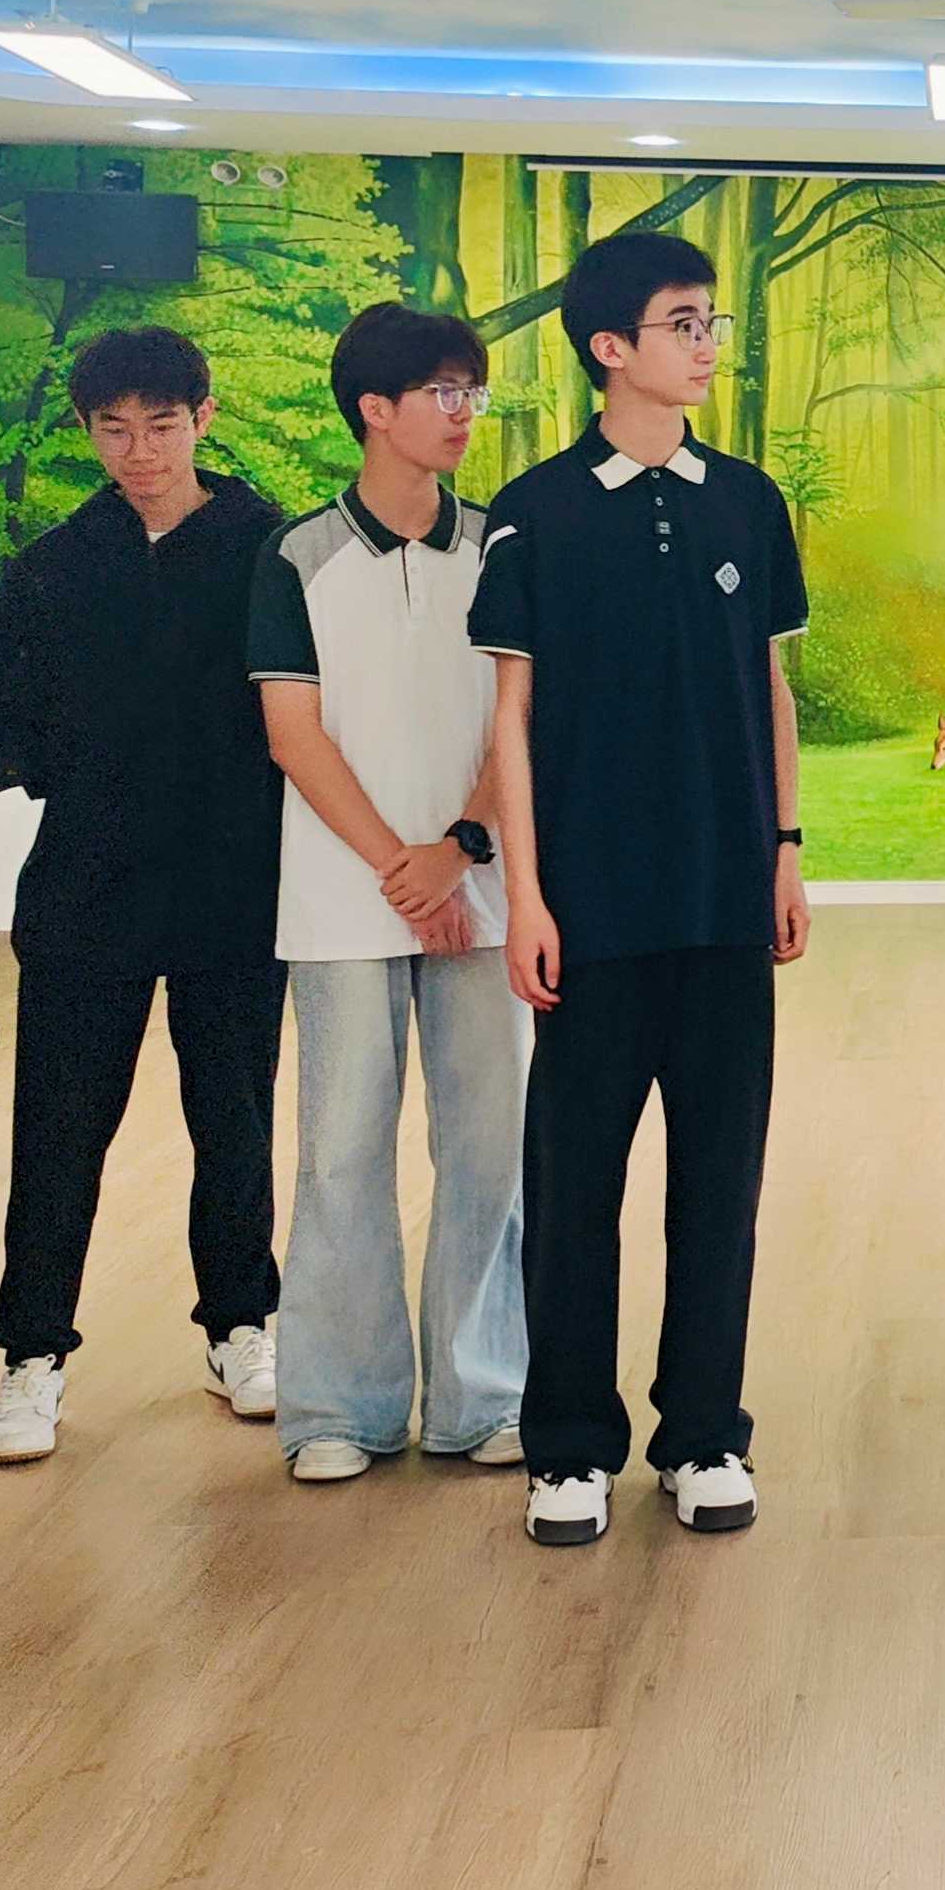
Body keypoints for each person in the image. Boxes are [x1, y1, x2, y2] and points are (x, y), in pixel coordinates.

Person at [470, 228, 809, 1549]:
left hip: (726, 901)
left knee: (720, 1181)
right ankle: (568, 1446)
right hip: (591, 910)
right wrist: (528, 894)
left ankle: (704, 1433)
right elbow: (511, 718)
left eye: (711, 320)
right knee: (575, 1189)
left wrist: (786, 847)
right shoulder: (536, 511)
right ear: (610, 347)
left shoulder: (748, 503)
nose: (708, 343)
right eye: (684, 322)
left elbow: (769, 684)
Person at [0, 325, 289, 1468]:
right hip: (86, 885)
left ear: (204, 418)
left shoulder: (273, 552)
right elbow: (11, 736)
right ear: (88, 433)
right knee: (58, 1128)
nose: (139, 451)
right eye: (114, 429)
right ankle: (32, 1355)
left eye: (161, 425)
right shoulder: (50, 567)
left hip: (235, 884)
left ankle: (242, 1327)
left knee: (234, 1118)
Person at [249, 305, 529, 1486]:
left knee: (492, 1149)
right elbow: (292, 733)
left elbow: (524, 713)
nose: (465, 413)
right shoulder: (297, 556)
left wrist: (459, 848)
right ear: (374, 408)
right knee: (341, 1153)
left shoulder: (504, 546)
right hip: (340, 900)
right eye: (442, 393)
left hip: (486, 892)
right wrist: (402, 869)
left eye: (472, 392)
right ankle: (337, 1408)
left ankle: (483, 1395)